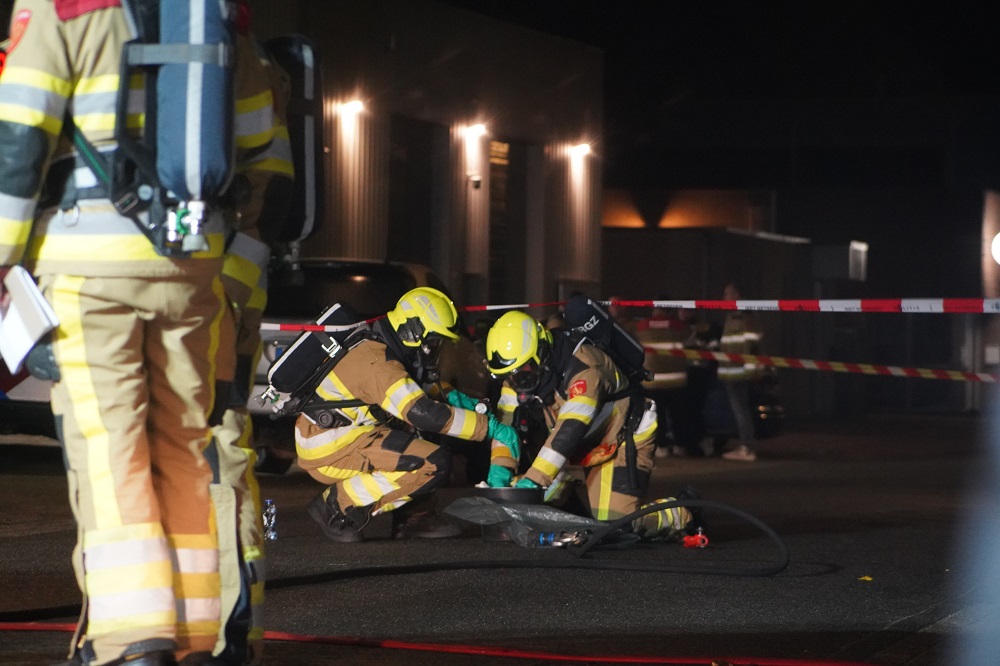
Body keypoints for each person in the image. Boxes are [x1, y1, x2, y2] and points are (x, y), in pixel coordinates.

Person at [0, 1, 263, 663]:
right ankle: (197, 636)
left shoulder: (62, 6)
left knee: (112, 446)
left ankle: (131, 639)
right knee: (181, 445)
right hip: (192, 263)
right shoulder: (217, 10)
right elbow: (261, 136)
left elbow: (20, 134)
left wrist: (4, 254)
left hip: (90, 264)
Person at [205, 19, 296, 666]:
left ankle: (148, 640)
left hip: (107, 289)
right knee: (219, 457)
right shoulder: (249, 58)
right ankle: (233, 637)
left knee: (122, 462)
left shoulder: (70, 19)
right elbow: (279, 193)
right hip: (224, 283)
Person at [295, 287, 520, 542]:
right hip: (329, 447)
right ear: (413, 331)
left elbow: (421, 391)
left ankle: (414, 518)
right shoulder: (376, 362)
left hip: (346, 434)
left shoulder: (385, 347)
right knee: (432, 462)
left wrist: (462, 401)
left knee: (433, 435)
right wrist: (487, 428)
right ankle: (337, 506)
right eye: (433, 342)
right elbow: (421, 411)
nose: (434, 350)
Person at [480, 310, 699, 541]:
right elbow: (506, 428)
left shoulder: (585, 368)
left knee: (617, 526)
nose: (517, 382)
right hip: (579, 448)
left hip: (620, 440)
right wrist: (500, 471)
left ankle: (684, 513)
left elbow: (569, 430)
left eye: (523, 371)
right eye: (508, 376)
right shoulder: (518, 375)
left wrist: (534, 480)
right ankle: (565, 495)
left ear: (542, 352)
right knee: (524, 496)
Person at [633, 304, 693, 458]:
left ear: (654, 309)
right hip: (676, 379)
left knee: (656, 415)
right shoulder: (678, 326)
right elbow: (690, 337)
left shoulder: (642, 325)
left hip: (653, 379)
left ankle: (662, 446)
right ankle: (680, 445)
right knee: (678, 415)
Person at [717, 283, 762, 462]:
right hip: (732, 370)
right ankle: (746, 445)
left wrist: (750, 369)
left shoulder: (744, 314)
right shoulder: (734, 314)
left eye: (727, 294)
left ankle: (747, 447)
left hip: (738, 371)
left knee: (741, 409)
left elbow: (752, 341)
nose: (723, 298)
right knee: (740, 409)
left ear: (737, 295)